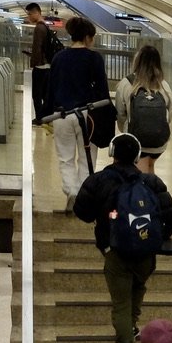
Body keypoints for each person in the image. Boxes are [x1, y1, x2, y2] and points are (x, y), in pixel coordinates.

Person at [73, 133, 172, 343]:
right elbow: (169, 215)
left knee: (120, 303)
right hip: (146, 252)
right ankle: (130, 327)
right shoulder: (151, 182)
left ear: (112, 153)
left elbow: (83, 212)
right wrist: (158, 240)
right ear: (138, 156)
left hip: (115, 252)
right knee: (137, 290)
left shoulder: (99, 180)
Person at [45, 15, 112, 211]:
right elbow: (103, 91)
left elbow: (51, 89)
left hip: (62, 115)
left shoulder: (59, 58)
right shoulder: (94, 58)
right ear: (88, 37)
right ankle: (83, 197)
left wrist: (45, 113)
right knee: (87, 158)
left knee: (65, 157)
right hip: (88, 115)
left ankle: (71, 191)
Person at [115, 45, 172, 173]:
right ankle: (151, 188)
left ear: (137, 61)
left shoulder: (127, 83)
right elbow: (169, 115)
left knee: (140, 171)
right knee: (149, 165)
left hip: (135, 139)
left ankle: (144, 190)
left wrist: (126, 130)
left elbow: (120, 114)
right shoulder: (164, 85)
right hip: (159, 142)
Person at [25, 2, 53, 125]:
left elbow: (37, 48)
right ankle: (47, 117)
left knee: (37, 94)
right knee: (45, 94)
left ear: (36, 13)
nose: (29, 17)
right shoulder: (45, 26)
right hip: (47, 65)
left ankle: (39, 118)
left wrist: (33, 62)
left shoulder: (39, 28)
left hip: (40, 66)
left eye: (30, 14)